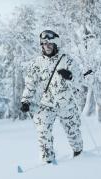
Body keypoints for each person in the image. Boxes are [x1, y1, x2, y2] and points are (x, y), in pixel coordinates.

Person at [20, 30, 83, 163]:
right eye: (43, 44)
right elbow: (30, 83)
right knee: (42, 130)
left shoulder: (66, 60)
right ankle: (47, 160)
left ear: (55, 44)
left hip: (66, 103)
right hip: (47, 103)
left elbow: (80, 81)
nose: (46, 46)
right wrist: (26, 100)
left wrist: (70, 76)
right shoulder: (37, 63)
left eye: (49, 44)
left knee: (73, 131)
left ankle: (79, 154)